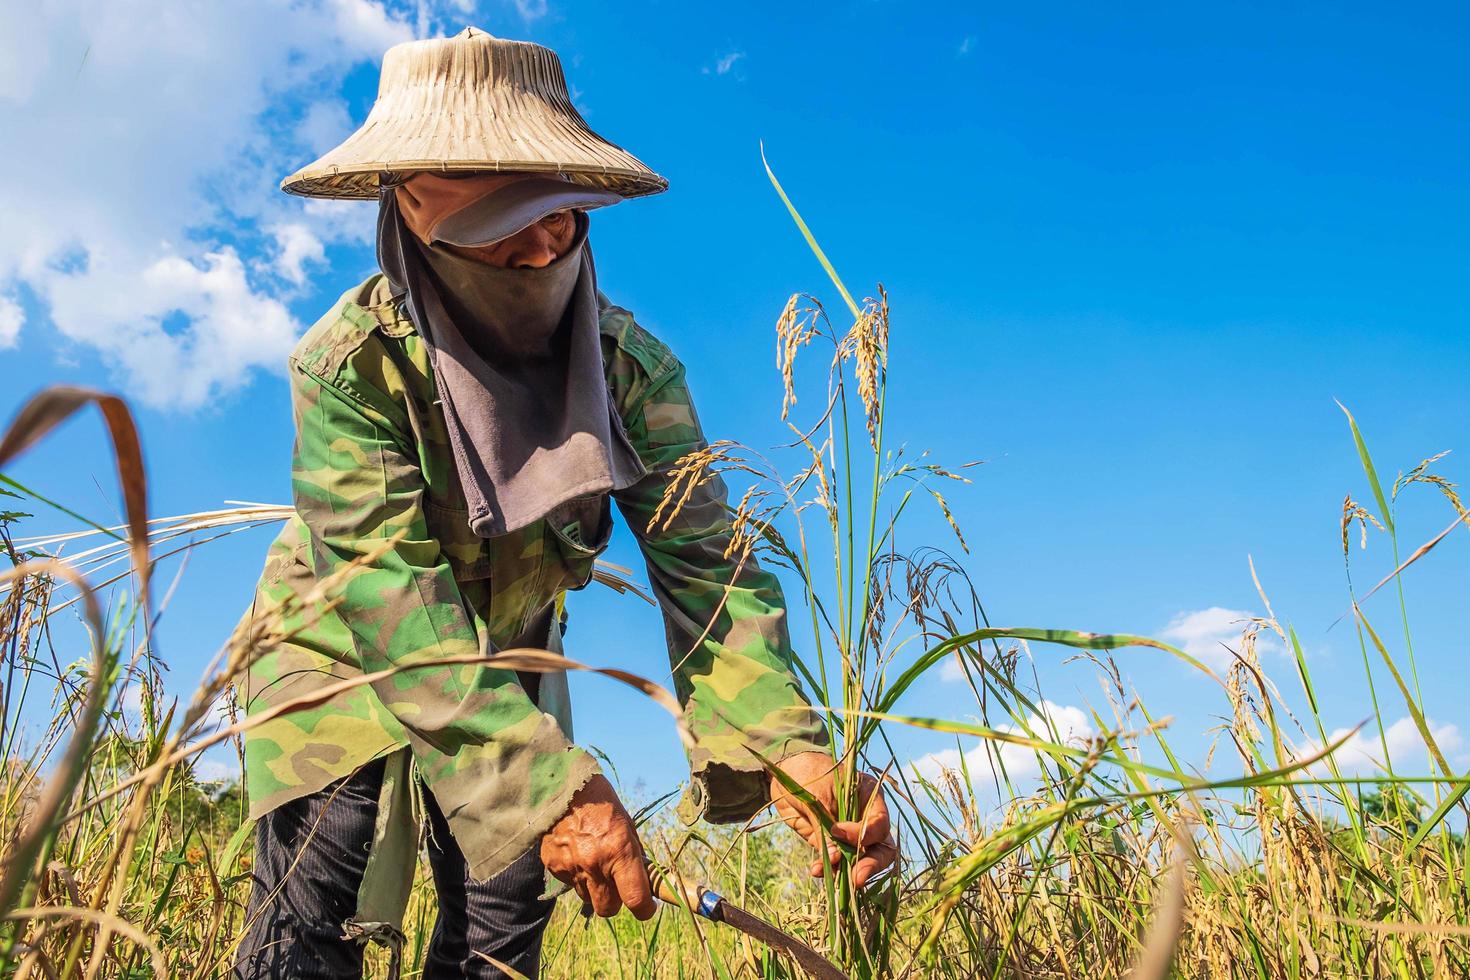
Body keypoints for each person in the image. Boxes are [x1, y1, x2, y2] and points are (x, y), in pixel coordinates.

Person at [231, 27, 894, 979]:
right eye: (510, 213)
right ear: (412, 206)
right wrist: (547, 786)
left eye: (565, 214)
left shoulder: (628, 371)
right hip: (337, 657)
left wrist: (791, 750)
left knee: (504, 920)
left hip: (511, 650)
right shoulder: (353, 371)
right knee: (312, 909)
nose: (546, 245)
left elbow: (709, 570)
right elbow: (391, 607)